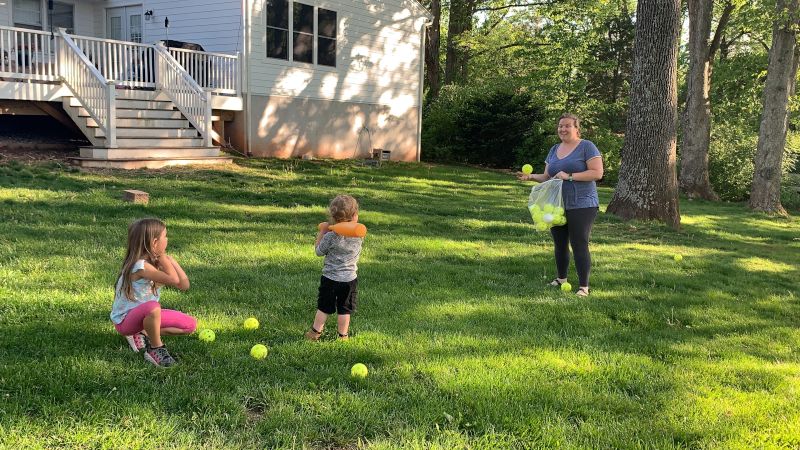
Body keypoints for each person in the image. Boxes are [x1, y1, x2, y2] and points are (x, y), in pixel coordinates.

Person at [519, 113, 604, 296]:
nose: (563, 129)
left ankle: (584, 287)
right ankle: (561, 279)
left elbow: (597, 173)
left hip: (582, 204)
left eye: (567, 126)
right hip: (557, 204)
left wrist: (570, 176)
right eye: (560, 126)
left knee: (579, 242)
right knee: (560, 243)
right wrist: (531, 177)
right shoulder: (554, 149)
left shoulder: (586, 146)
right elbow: (548, 176)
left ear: (577, 129)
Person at [110, 218, 195, 367]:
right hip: (126, 321)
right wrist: (163, 258)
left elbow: (184, 285)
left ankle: (142, 332)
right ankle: (155, 349)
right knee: (153, 307)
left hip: (147, 315)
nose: (167, 239)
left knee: (190, 325)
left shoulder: (156, 263)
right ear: (155, 242)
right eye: (165, 236)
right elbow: (173, 279)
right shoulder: (141, 266)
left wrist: (171, 261)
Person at [305, 195, 363, 341]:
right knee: (344, 310)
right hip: (349, 280)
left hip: (330, 279)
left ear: (332, 217)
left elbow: (319, 251)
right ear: (355, 216)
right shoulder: (358, 235)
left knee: (324, 307)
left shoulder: (330, 236)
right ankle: (343, 336)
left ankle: (315, 333)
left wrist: (322, 232)